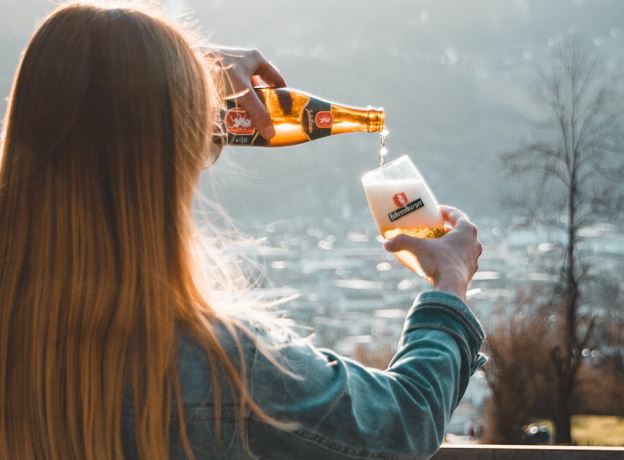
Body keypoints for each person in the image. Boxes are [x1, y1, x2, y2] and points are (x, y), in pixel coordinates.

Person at [0, 2, 486, 459]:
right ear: (171, 167)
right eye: (207, 140)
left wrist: (175, 78)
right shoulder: (226, 368)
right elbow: (405, 419)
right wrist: (450, 285)